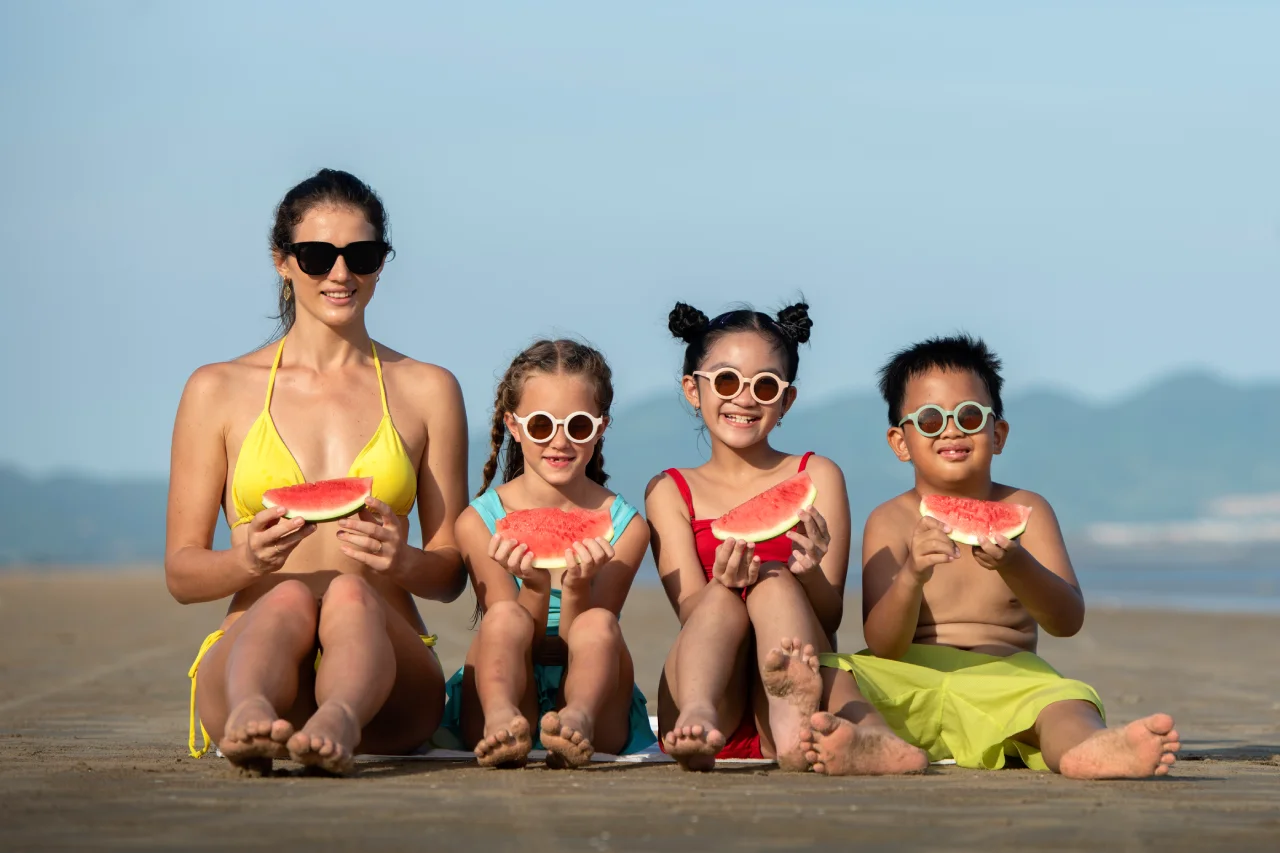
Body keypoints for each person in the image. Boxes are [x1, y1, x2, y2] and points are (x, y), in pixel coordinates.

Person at [166, 168, 469, 775]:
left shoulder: (428, 389)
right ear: (282, 261)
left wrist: (403, 561)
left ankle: (339, 718)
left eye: (360, 255)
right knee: (282, 600)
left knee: (352, 594)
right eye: (316, 256)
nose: (340, 274)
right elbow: (181, 573)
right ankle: (252, 714)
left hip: (389, 680)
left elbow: (450, 574)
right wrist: (244, 561)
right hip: (251, 653)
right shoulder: (216, 389)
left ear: (382, 263)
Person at [811, 334, 1181, 778]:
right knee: (831, 673)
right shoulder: (888, 520)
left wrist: (1016, 564)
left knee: (1065, 702)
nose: (951, 429)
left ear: (997, 433)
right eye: (929, 419)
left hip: (1006, 678)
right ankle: (873, 740)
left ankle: (1091, 749)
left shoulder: (1029, 510)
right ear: (900, 442)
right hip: (907, 680)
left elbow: (1067, 621)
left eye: (969, 416)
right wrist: (910, 576)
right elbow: (886, 645)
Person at [646, 302, 927, 773]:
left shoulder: (817, 476)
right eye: (728, 381)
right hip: (710, 693)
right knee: (722, 601)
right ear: (693, 390)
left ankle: (804, 725)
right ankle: (701, 715)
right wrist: (723, 585)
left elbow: (830, 613)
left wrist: (810, 571)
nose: (745, 399)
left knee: (776, 582)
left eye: (765, 386)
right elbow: (691, 610)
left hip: (800, 674)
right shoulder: (669, 490)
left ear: (786, 400)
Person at [439, 339, 656, 768]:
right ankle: (501, 718)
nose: (559, 442)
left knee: (598, 622)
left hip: (596, 698)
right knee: (503, 617)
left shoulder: (627, 528)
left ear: (601, 426)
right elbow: (515, 634)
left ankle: (577, 718)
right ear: (514, 426)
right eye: (541, 426)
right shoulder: (478, 522)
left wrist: (575, 589)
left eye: (577, 426)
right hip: (506, 680)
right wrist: (536, 586)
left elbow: (575, 645)